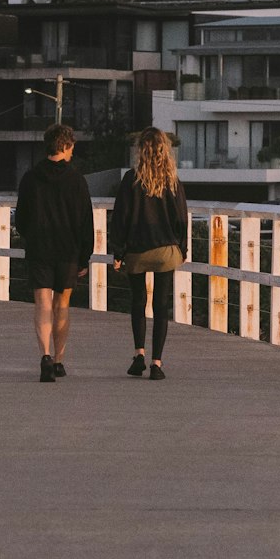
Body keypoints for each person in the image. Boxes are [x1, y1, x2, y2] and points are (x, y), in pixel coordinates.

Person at [15, 122, 94, 383]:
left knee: (42, 304)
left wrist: (31, 237)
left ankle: (45, 356)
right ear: (67, 146)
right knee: (62, 305)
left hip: (39, 248)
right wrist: (85, 256)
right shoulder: (77, 180)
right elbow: (86, 222)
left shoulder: (30, 178)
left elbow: (21, 219)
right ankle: (59, 360)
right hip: (68, 250)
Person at [109, 127, 188, 382]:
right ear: (165, 150)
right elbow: (181, 218)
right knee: (161, 306)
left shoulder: (131, 179)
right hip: (166, 250)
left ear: (141, 150)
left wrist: (118, 252)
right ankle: (157, 363)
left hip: (136, 251)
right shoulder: (172, 181)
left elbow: (120, 218)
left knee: (138, 302)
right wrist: (182, 248)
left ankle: (139, 355)